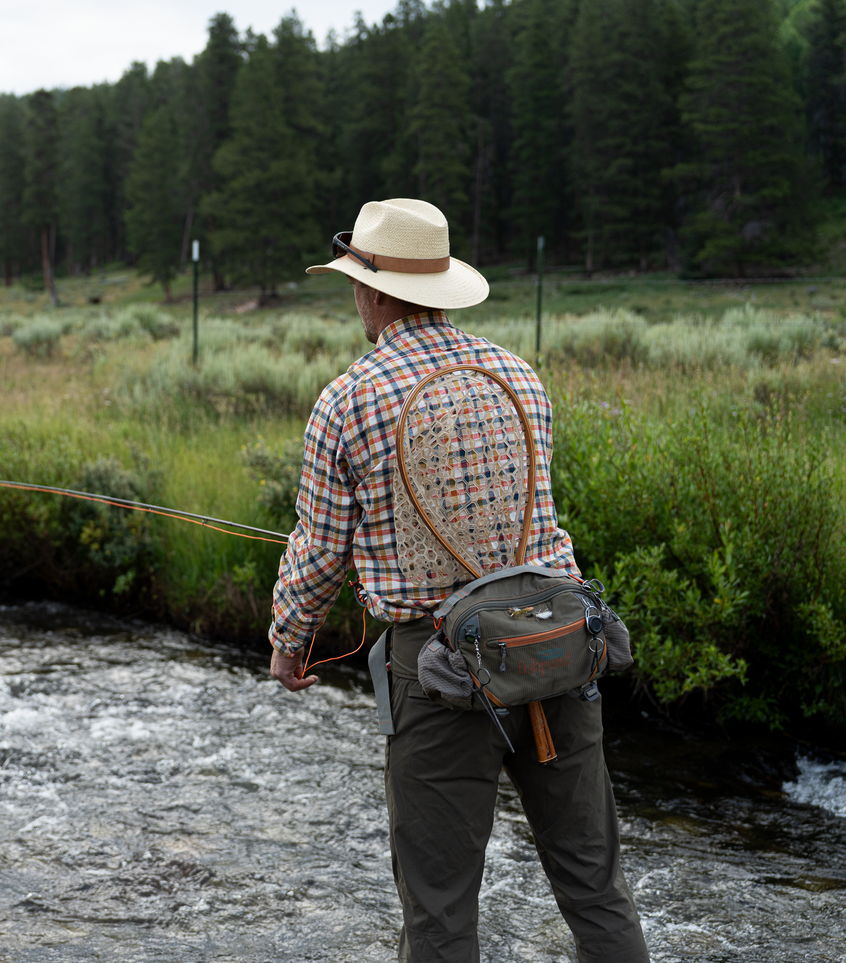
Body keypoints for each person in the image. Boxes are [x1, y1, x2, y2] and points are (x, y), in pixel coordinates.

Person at [267, 198, 649, 963]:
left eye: (355, 284)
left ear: (374, 293)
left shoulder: (347, 399)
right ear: (439, 285)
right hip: (557, 648)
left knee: (439, 915)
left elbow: (318, 551)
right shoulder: (517, 375)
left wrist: (288, 644)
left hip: (437, 673)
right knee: (595, 888)